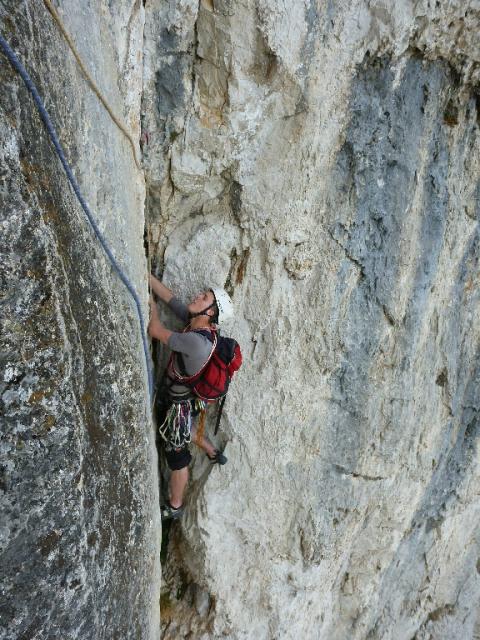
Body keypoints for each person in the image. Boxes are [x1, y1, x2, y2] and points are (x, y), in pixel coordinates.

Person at [148, 274, 234, 520]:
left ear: (210, 312)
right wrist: (147, 277)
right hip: (191, 401)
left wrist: (150, 303)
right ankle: (210, 450)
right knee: (187, 426)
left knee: (177, 456)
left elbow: (155, 330)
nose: (198, 296)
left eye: (204, 297)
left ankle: (175, 506)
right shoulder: (197, 325)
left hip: (179, 405)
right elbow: (169, 297)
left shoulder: (197, 342)